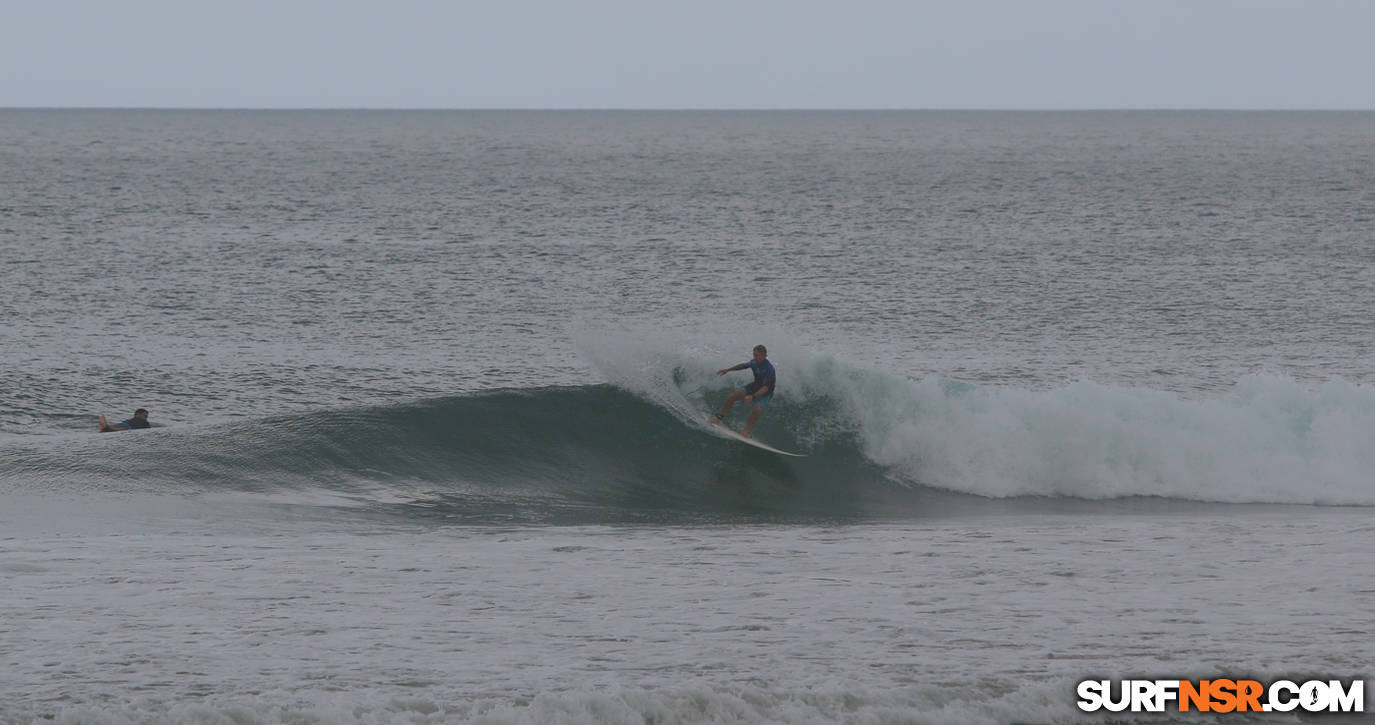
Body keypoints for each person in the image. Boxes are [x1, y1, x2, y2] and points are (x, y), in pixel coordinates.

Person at [710, 345, 775, 438]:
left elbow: (765, 388)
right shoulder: (754, 362)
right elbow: (743, 366)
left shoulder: (769, 369)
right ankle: (718, 418)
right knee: (733, 396)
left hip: (766, 392)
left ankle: (746, 431)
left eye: (757, 355)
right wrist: (728, 370)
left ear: (764, 356)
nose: (755, 357)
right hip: (755, 386)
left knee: (757, 408)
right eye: (754, 355)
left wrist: (753, 396)